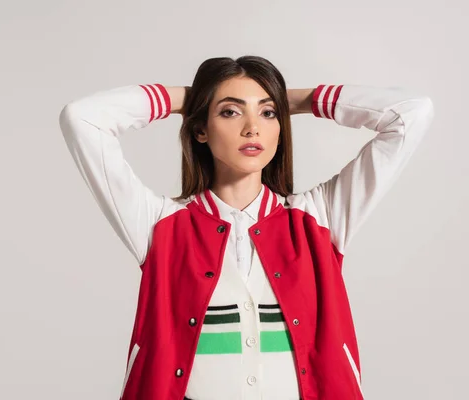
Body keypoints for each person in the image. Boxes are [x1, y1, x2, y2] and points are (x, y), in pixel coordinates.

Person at [58, 56, 434, 400]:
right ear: (200, 129)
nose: (253, 127)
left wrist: (296, 101)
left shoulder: (319, 216)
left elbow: (410, 114)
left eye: (269, 113)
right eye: (230, 112)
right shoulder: (161, 224)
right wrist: (190, 99)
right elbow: (83, 118)